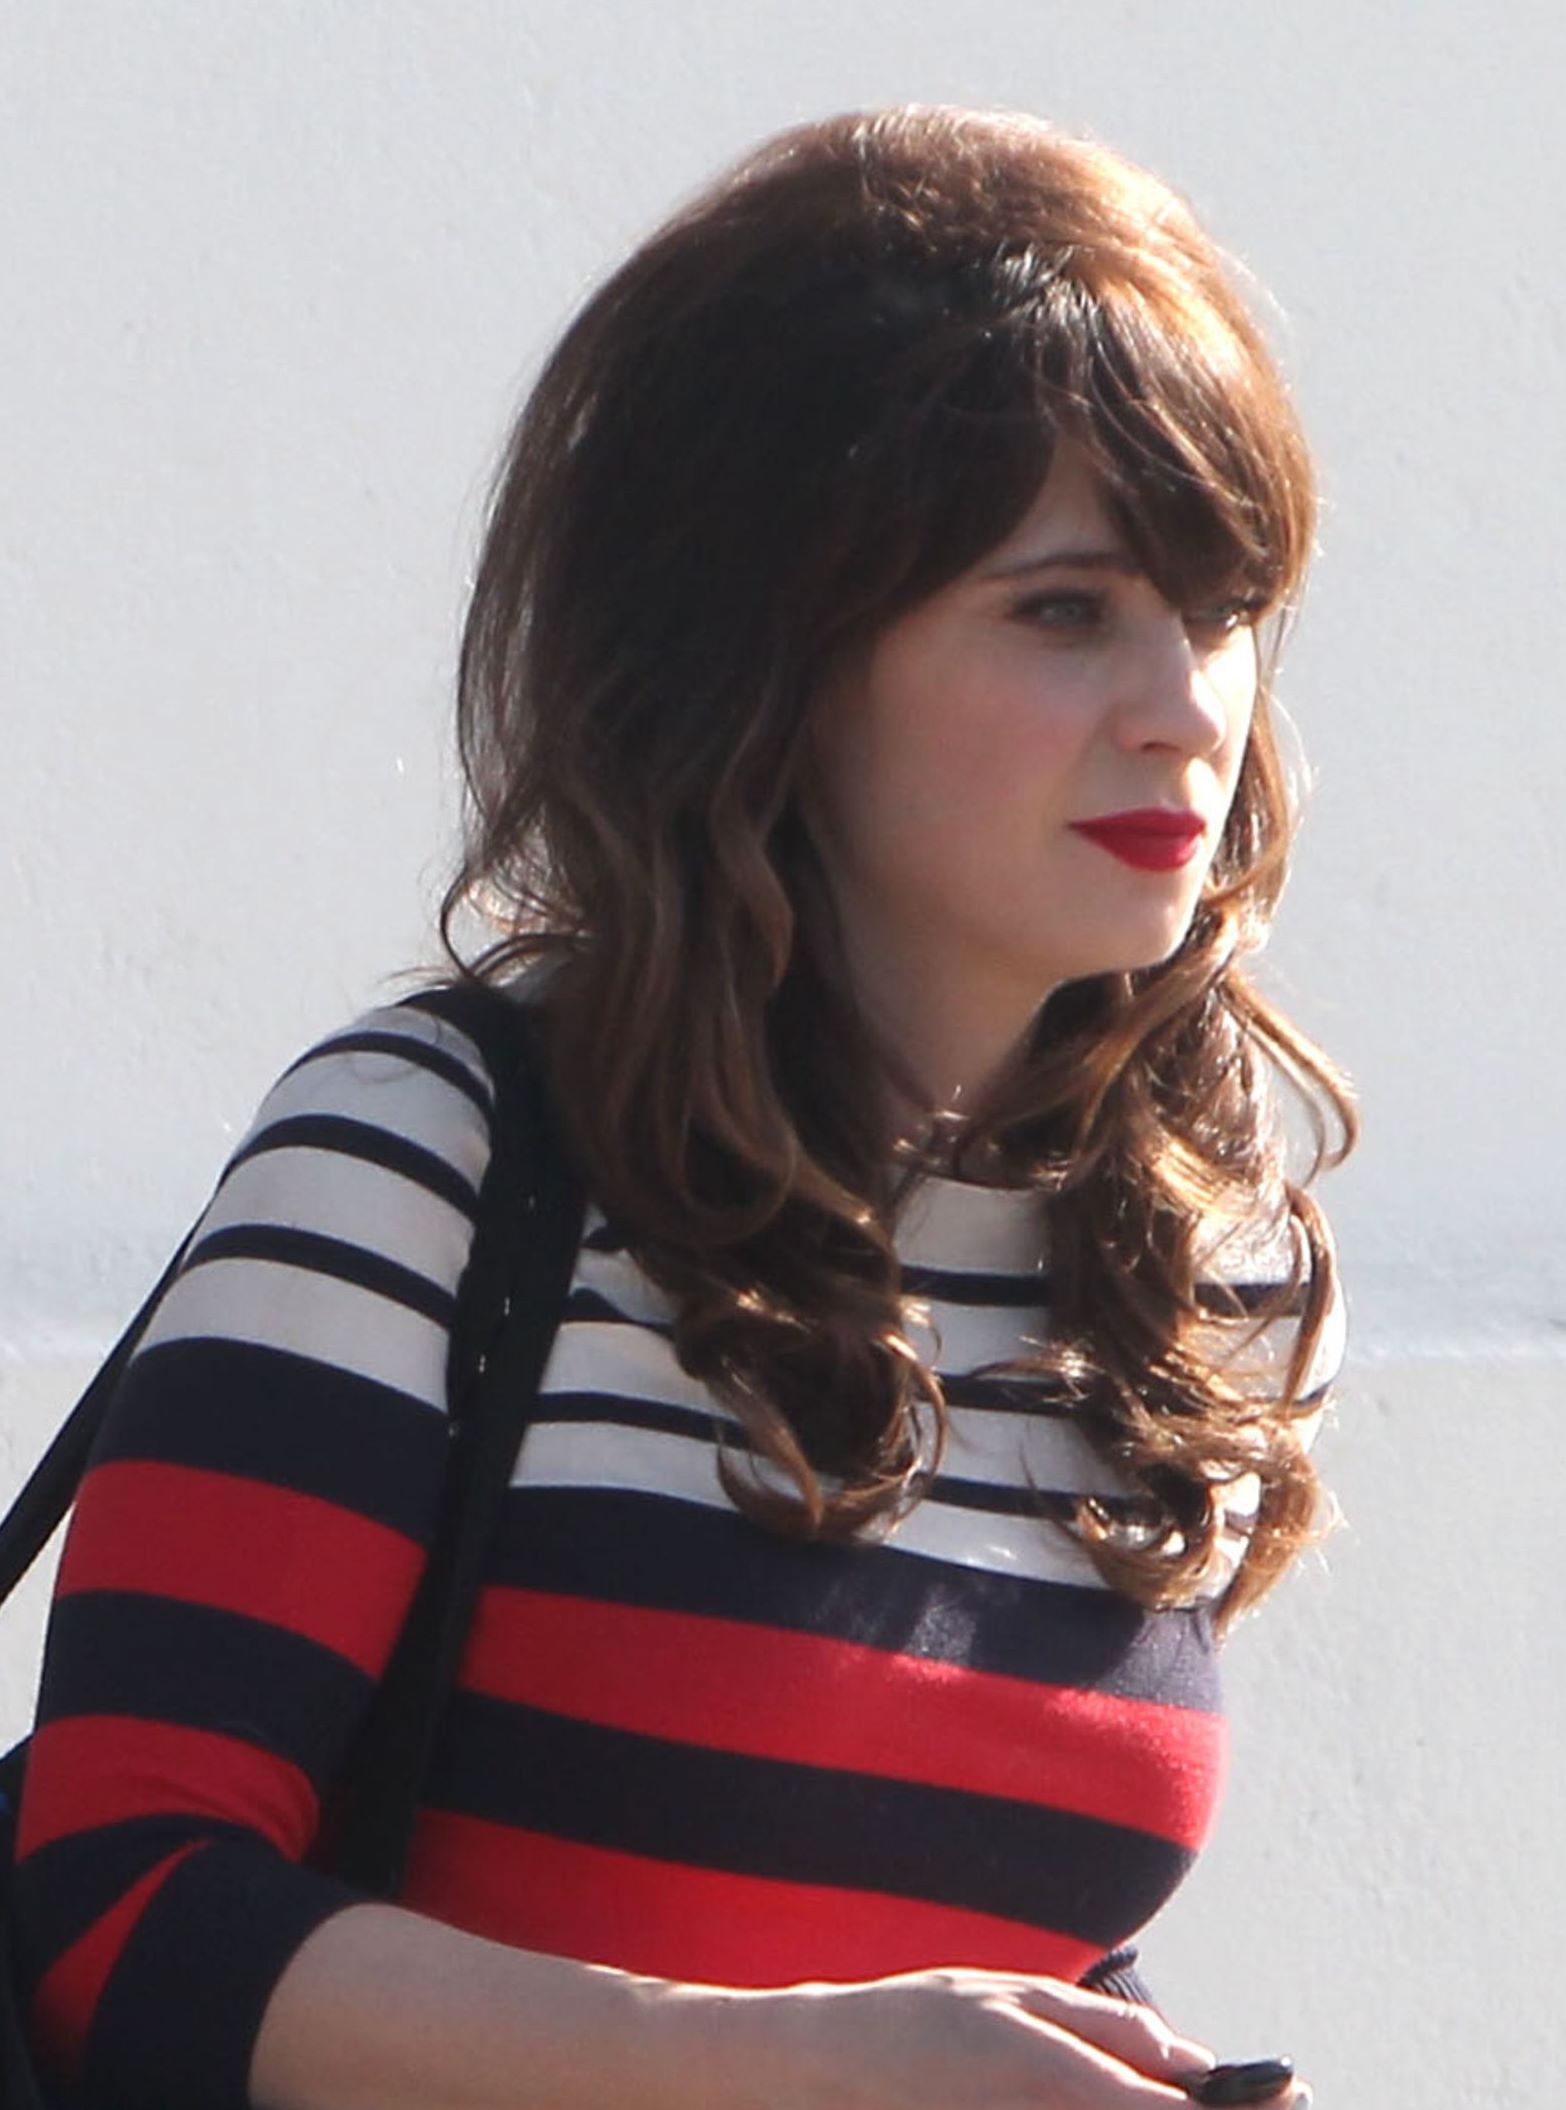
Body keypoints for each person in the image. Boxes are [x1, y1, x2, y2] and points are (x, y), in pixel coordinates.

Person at [12, 105, 1352, 2110]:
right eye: (1063, 609)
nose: (1188, 708)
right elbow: (115, 1914)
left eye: (1223, 605)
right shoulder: (433, 1159)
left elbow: (960, 1950)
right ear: (774, 658)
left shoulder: (1182, 1265)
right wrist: (784, 2065)